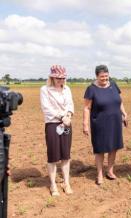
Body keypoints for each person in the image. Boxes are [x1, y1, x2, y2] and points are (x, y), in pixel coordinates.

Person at [83, 65, 127, 185]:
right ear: (97, 76)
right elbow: (87, 108)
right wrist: (85, 124)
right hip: (100, 123)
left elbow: (119, 101)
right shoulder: (91, 89)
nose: (105, 79)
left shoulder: (113, 85)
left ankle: (110, 171)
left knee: (113, 147)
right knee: (100, 149)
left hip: (115, 121)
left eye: (106, 76)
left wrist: (124, 113)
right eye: (102, 77)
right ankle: (99, 174)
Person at [40, 65, 74, 196]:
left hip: (67, 124)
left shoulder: (67, 89)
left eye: (63, 78)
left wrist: (69, 115)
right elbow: (46, 108)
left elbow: (70, 104)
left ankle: (66, 183)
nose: (61, 80)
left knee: (66, 155)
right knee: (53, 156)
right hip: (53, 125)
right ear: (52, 77)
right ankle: (53, 185)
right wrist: (61, 116)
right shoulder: (45, 90)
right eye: (58, 78)